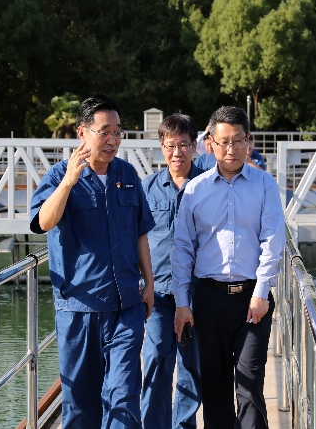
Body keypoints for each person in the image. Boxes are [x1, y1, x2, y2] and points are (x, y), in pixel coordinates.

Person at [29, 95, 155, 428]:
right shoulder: (59, 175)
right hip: (79, 309)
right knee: (80, 405)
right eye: (105, 132)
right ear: (82, 133)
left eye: (118, 132)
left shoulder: (127, 174)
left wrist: (149, 283)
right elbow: (44, 222)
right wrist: (68, 182)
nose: (113, 140)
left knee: (124, 397)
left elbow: (140, 232)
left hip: (126, 305)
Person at [172, 106, 285, 429]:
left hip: (252, 300)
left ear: (249, 141)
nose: (231, 149)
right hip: (209, 300)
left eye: (238, 140)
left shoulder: (264, 185)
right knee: (215, 387)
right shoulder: (195, 190)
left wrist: (262, 292)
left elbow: (273, 239)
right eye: (223, 142)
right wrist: (182, 303)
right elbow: (182, 249)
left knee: (250, 385)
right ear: (210, 143)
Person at [140, 113, 204, 429]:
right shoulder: (147, 188)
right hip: (159, 293)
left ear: (194, 146)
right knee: (155, 360)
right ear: (162, 147)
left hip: (197, 293)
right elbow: (135, 238)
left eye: (183, 144)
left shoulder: (209, 185)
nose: (177, 152)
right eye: (170, 145)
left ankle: (184, 425)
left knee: (191, 366)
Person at [195, 132, 265, 170]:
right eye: (225, 142)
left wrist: (249, 162)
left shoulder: (257, 156)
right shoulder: (202, 159)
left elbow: (262, 172)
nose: (231, 151)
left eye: (250, 144)